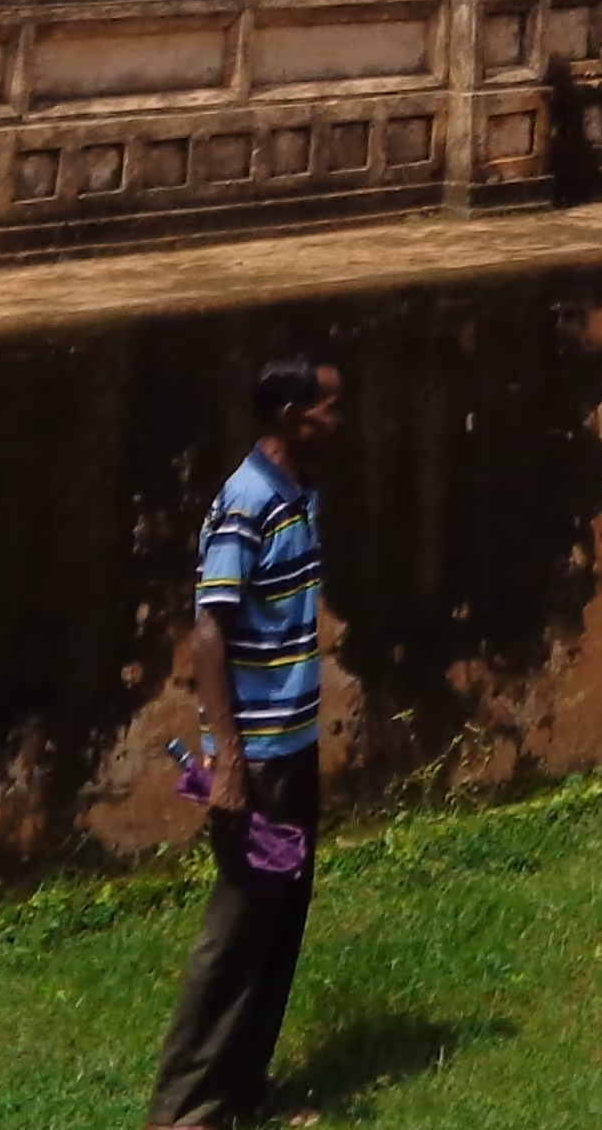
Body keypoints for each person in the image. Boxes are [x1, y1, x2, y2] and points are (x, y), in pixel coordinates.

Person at [152, 350, 341, 1130]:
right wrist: (227, 764)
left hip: (293, 745)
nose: (340, 419)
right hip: (256, 757)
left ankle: (241, 1092)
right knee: (234, 932)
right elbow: (207, 634)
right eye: (330, 406)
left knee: (280, 916)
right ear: (293, 417)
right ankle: (183, 1111)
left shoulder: (300, 494)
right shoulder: (245, 504)